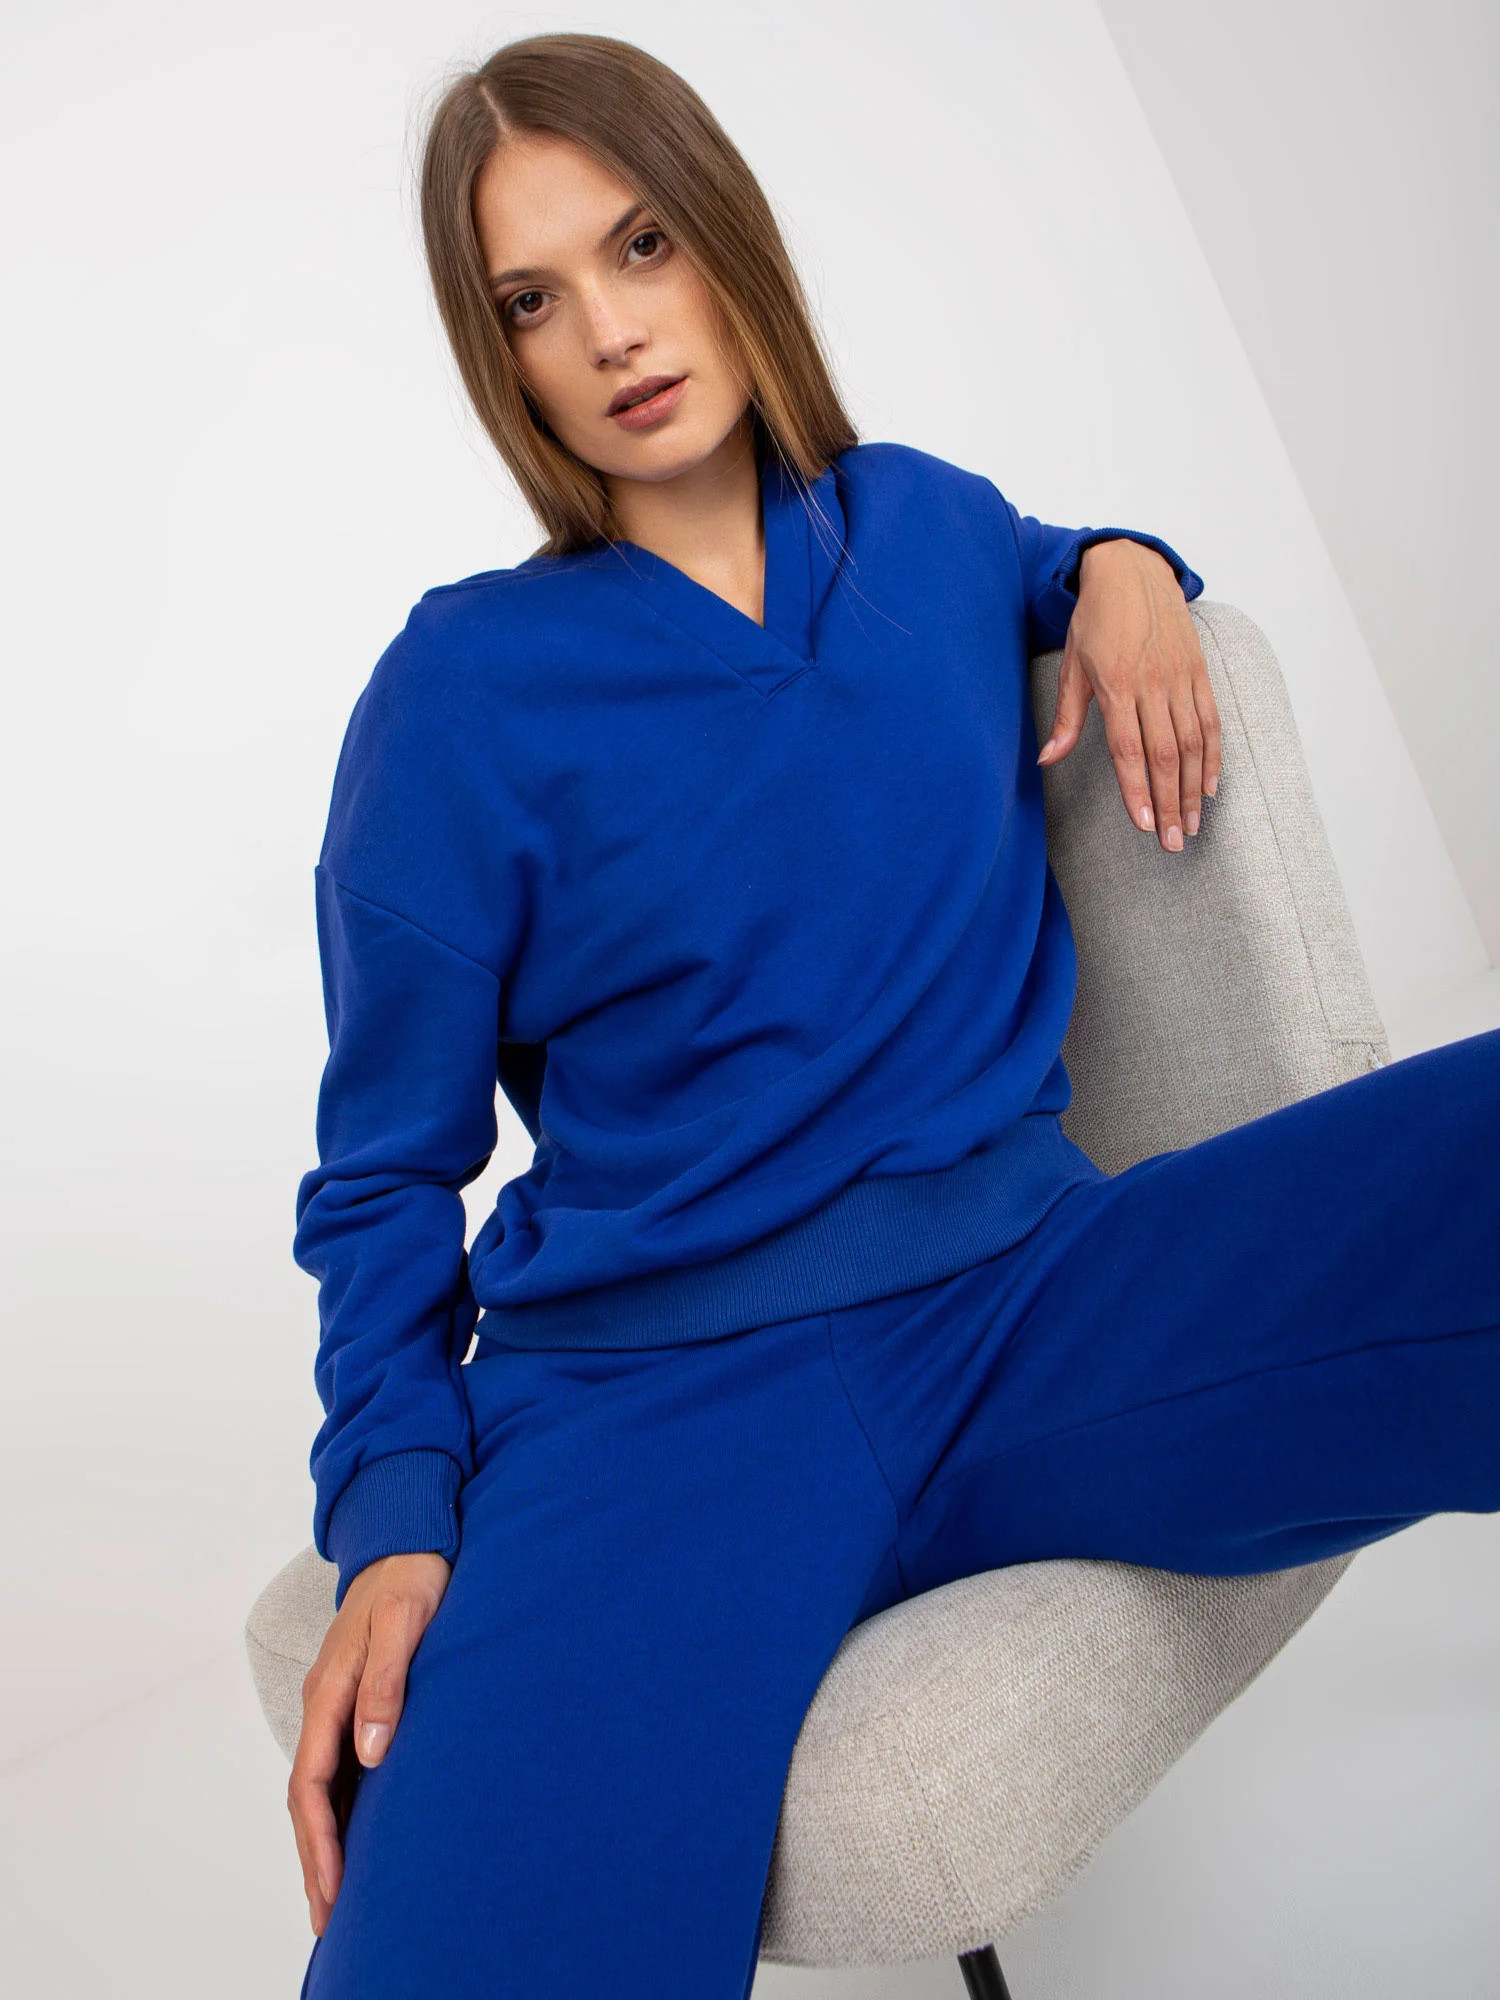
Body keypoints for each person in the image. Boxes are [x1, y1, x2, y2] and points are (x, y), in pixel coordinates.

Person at [284, 31, 1500, 2000]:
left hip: (1040, 1301)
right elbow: (380, 1175)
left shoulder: (928, 526)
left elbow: (1033, 568)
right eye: (532, 300)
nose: (610, 329)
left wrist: (1124, 569)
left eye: (641, 244)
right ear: (500, 357)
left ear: (725, 236)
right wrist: (396, 1507)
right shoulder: (459, 695)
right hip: (653, 1410)